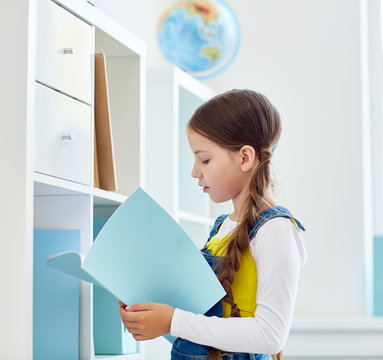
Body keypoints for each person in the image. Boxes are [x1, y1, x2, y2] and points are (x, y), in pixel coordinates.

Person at [119, 89, 307, 360]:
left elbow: (270, 335)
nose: (195, 171)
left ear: (245, 158)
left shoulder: (275, 230)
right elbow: (206, 328)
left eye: (204, 159)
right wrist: (152, 316)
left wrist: (173, 320)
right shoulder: (221, 227)